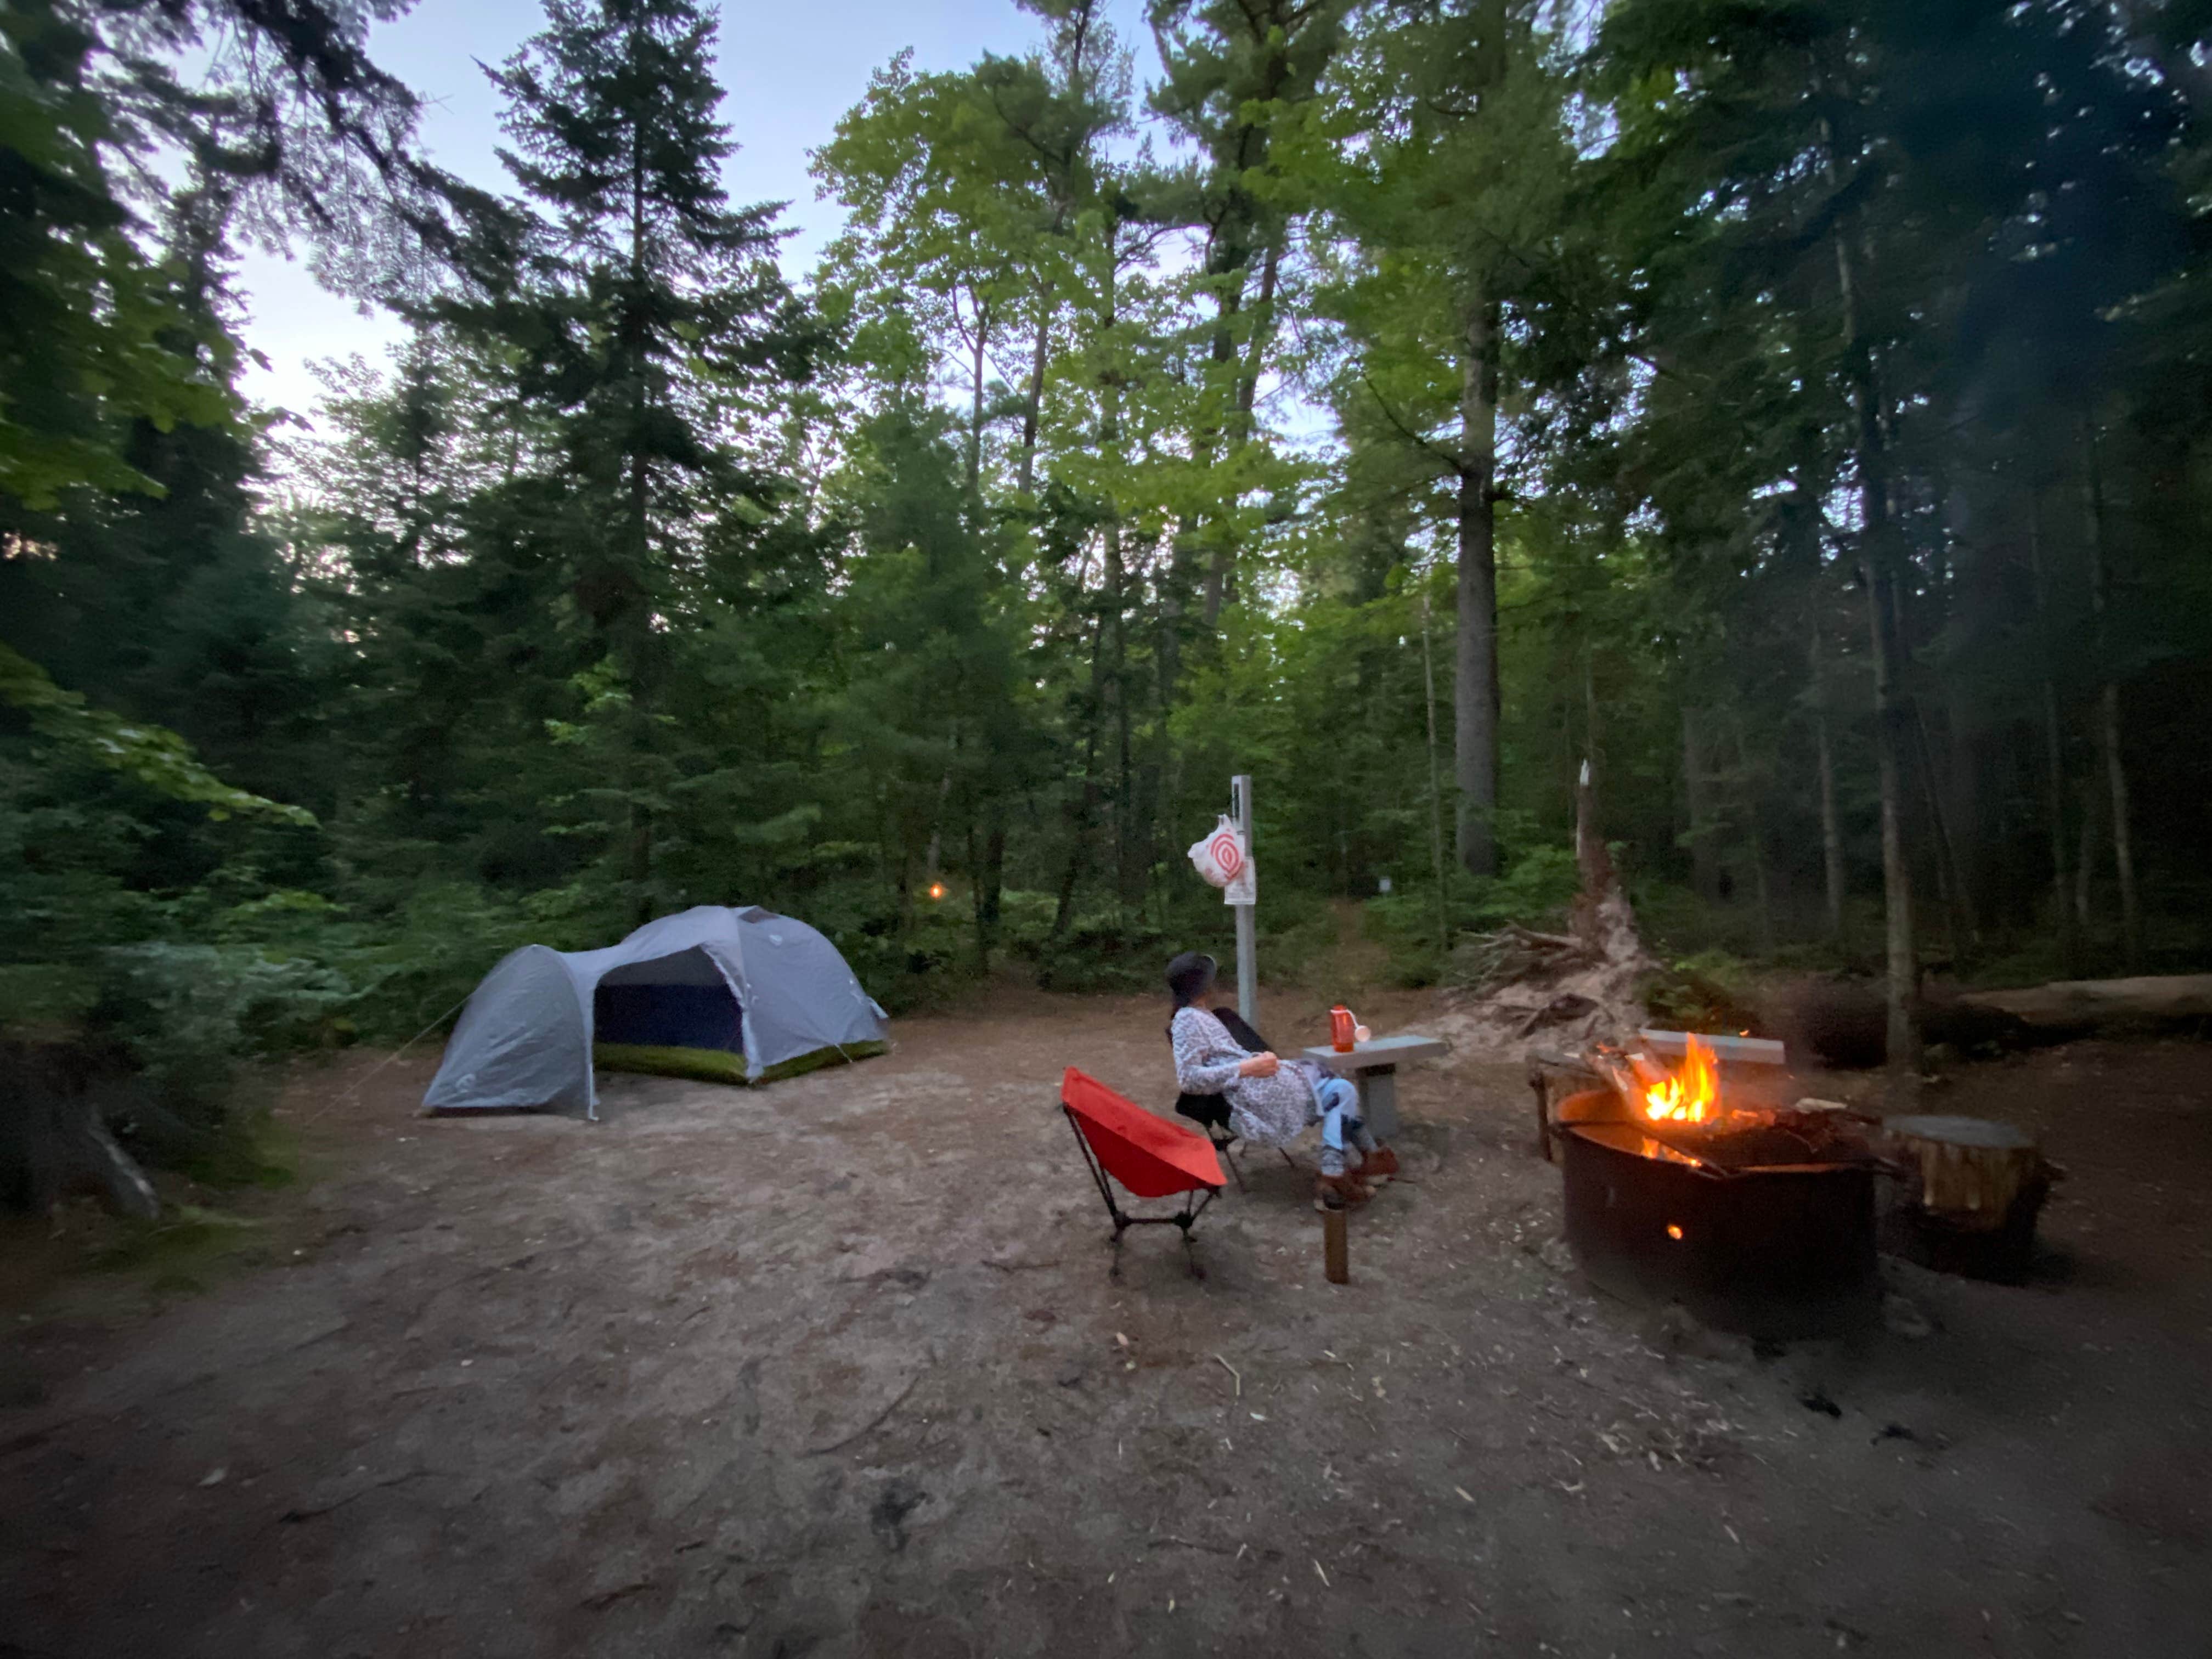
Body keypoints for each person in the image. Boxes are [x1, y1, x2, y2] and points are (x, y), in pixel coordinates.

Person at [1164, 951, 1400, 1210]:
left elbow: (1225, 1057)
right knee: (1335, 1092)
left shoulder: (1201, 1014)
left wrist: (1257, 1059)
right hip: (1252, 1096)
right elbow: (1189, 1080)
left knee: (1335, 1086)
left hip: (1261, 1081)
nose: (1215, 983)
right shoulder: (1186, 1020)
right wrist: (1247, 1067)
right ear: (1202, 984)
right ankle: (1337, 1177)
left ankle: (1347, 1170)